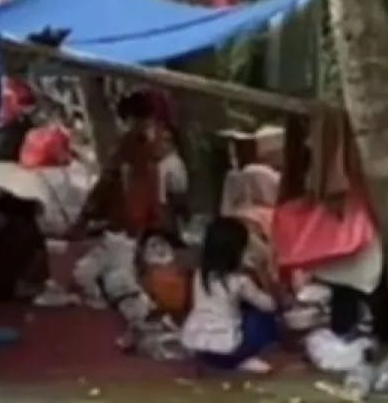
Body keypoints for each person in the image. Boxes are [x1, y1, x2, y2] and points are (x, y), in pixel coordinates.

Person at [181, 217, 279, 374]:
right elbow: (271, 306)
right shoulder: (240, 281)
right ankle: (239, 360)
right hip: (228, 348)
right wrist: (263, 274)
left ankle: (220, 363)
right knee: (263, 317)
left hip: (197, 345)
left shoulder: (199, 274)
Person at [80, 91, 163, 237]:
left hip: (127, 218)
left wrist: (85, 216)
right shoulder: (147, 147)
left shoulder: (127, 145)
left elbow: (107, 179)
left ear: (128, 119)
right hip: (140, 218)